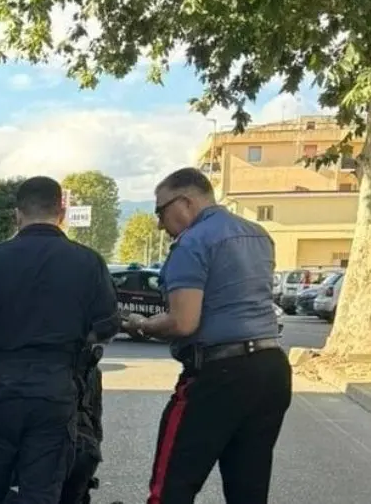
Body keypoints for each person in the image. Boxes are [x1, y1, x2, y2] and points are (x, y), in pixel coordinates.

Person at [120, 168, 289, 504]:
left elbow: (183, 322)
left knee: (171, 487)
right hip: (271, 369)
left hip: (218, 375)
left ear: (184, 202)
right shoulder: (258, 234)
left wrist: (139, 324)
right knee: (249, 489)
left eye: (160, 211)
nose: (159, 224)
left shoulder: (193, 241)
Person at [0, 176, 119, 504]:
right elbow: (107, 329)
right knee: (41, 494)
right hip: (55, 394)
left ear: (17, 214)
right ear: (62, 212)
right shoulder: (89, 262)